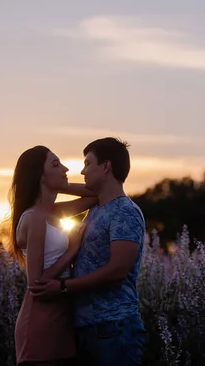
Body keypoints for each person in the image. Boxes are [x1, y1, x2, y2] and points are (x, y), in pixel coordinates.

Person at [29, 137, 147, 366]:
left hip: (114, 327)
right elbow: (43, 211)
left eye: (88, 163)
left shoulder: (125, 212)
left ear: (106, 166)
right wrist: (58, 185)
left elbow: (117, 271)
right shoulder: (96, 207)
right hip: (87, 328)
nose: (82, 171)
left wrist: (63, 287)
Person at [6, 145, 98, 366]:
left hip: (62, 319)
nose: (65, 168)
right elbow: (36, 284)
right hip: (40, 323)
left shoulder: (52, 212)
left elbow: (96, 193)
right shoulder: (35, 218)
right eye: (56, 165)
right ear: (39, 175)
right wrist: (72, 250)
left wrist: (61, 184)